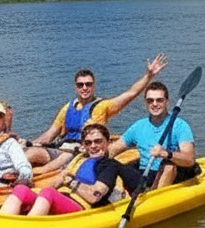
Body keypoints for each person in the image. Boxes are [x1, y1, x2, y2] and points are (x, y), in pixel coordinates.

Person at [24, 53, 168, 166]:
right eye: (80, 85)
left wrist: (148, 75)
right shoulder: (67, 108)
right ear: (75, 87)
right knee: (28, 153)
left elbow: (130, 94)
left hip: (82, 153)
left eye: (88, 84)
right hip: (62, 149)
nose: (84, 88)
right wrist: (28, 143)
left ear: (94, 86)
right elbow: (49, 135)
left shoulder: (103, 106)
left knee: (39, 156)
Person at [0, 122, 142, 216]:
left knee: (48, 193)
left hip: (82, 208)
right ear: (84, 145)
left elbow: (95, 196)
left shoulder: (109, 165)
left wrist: (69, 181)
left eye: (98, 141)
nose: (93, 146)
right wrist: (36, 190)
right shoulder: (80, 158)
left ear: (108, 142)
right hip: (63, 199)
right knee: (21, 190)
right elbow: (56, 183)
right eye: (88, 143)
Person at [107, 79, 196, 189]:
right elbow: (113, 150)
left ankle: (157, 196)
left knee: (169, 166)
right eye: (150, 100)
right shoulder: (138, 126)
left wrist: (166, 154)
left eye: (159, 100)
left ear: (167, 102)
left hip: (170, 174)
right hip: (145, 173)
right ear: (146, 103)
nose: (154, 104)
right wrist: (95, 154)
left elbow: (189, 159)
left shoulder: (180, 126)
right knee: (112, 165)